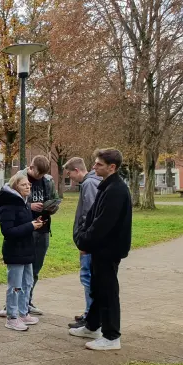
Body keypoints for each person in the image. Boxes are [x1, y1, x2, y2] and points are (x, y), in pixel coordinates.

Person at [70, 149, 132, 351]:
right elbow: (91, 217)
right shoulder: (106, 186)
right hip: (100, 249)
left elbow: (102, 224)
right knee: (97, 288)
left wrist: (85, 242)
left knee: (108, 291)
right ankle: (92, 326)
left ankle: (112, 336)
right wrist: (84, 238)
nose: (94, 167)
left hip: (108, 249)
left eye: (99, 164)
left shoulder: (116, 190)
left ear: (112, 167)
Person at [0, 156, 58, 317]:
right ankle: (11, 307)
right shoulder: (18, 180)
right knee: (17, 277)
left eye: (42, 176)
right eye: (37, 175)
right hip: (24, 232)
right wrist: (29, 206)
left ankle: (26, 303)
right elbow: (9, 225)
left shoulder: (48, 180)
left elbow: (55, 199)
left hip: (41, 229)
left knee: (32, 272)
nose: (36, 180)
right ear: (31, 167)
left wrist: (50, 207)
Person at [0, 172, 44, 331]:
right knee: (15, 286)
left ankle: (23, 313)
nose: (28, 187)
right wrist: (30, 226)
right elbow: (8, 231)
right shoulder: (8, 205)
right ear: (15, 187)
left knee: (27, 283)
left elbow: (23, 223)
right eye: (24, 185)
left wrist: (34, 223)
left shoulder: (23, 203)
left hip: (27, 250)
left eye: (29, 185)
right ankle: (12, 317)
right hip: (15, 251)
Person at [63, 157, 102, 329]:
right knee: (89, 278)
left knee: (88, 277)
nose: (70, 178)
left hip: (89, 242)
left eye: (70, 174)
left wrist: (85, 241)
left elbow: (90, 214)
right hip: (91, 240)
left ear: (77, 170)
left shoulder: (89, 184)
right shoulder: (93, 181)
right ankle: (89, 312)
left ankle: (90, 316)